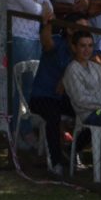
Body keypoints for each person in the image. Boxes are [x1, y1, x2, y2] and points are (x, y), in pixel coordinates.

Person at [27, 14, 86, 175]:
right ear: (69, 30)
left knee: (91, 113)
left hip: (64, 98)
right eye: (81, 29)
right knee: (53, 117)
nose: (85, 33)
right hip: (43, 96)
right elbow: (47, 43)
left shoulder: (84, 51)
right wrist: (47, 23)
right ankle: (55, 162)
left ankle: (72, 149)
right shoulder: (58, 44)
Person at [5, 0, 53, 134]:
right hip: (20, 38)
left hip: (34, 38)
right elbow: (34, 9)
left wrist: (42, 8)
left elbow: (49, 8)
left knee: (31, 86)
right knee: (20, 86)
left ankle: (25, 127)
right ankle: (18, 131)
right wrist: (41, 8)